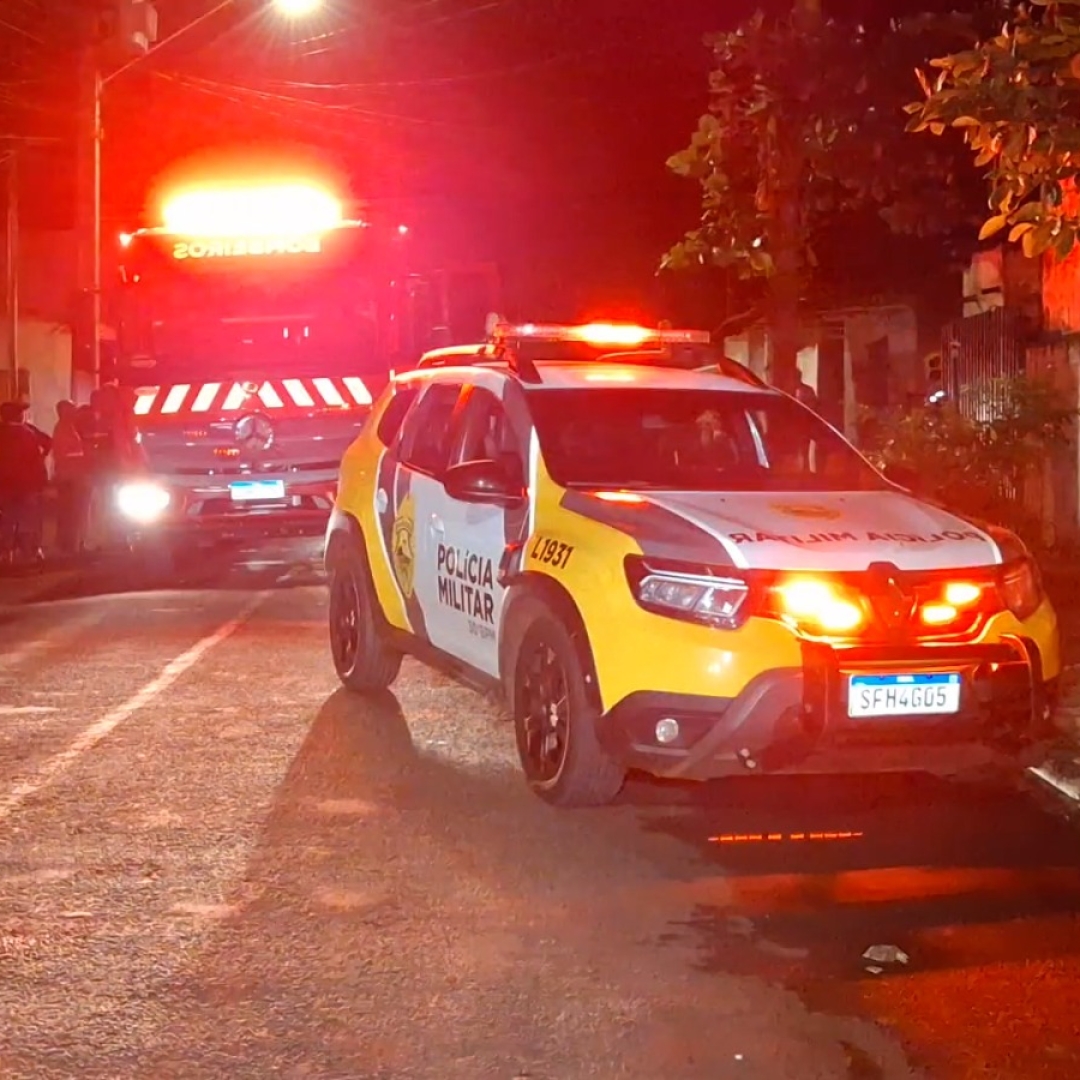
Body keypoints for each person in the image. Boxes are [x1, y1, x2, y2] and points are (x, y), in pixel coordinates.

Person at [0, 401, 52, 566]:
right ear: (18, 415)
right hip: (27, 485)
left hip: (5, 485)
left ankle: (5, 552)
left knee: (7, 518)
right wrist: (43, 480)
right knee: (29, 518)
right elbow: (42, 450)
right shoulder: (28, 433)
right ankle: (30, 551)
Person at [52, 399, 90, 558]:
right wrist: (85, 457)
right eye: (72, 410)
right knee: (72, 512)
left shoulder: (69, 428)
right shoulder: (63, 429)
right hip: (70, 478)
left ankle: (71, 544)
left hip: (70, 477)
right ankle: (70, 546)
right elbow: (63, 453)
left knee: (70, 512)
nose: (75, 413)